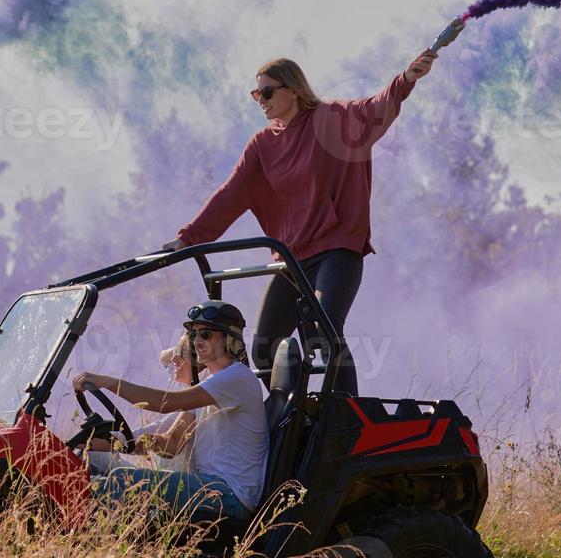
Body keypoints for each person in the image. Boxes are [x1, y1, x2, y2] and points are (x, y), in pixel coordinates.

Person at [160, 51, 436, 396]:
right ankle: (288, 420)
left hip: (337, 249)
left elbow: (374, 108)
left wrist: (406, 79)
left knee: (323, 326)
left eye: (267, 92)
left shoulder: (331, 119)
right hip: (292, 260)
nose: (260, 100)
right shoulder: (262, 145)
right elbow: (229, 194)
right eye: (256, 94)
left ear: (292, 89)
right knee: (263, 348)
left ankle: (343, 420)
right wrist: (187, 239)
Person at [72, 301, 267, 522]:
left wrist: (107, 382)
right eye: (193, 335)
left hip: (229, 494)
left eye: (205, 333)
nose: (197, 341)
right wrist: (88, 444)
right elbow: (171, 442)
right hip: (207, 486)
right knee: (93, 460)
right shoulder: (208, 382)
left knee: (118, 481)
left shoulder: (237, 378)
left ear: (229, 338)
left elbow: (165, 402)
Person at [83, 333, 198, 474]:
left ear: (197, 361)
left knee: (108, 476)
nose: (173, 360)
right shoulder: (186, 404)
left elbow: (167, 440)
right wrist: (84, 441)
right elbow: (147, 431)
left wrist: (107, 382)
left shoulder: (196, 402)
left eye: (180, 354)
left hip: (180, 487)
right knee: (93, 455)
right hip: (167, 481)